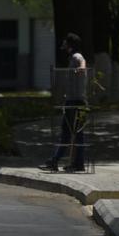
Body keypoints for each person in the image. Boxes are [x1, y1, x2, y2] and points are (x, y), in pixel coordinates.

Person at [40, 32, 88, 173]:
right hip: (80, 100)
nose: (64, 45)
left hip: (74, 101)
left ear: (70, 44)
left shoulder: (76, 56)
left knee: (67, 132)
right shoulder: (74, 57)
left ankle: (54, 161)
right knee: (78, 133)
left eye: (66, 43)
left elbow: (82, 61)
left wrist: (82, 68)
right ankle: (78, 163)